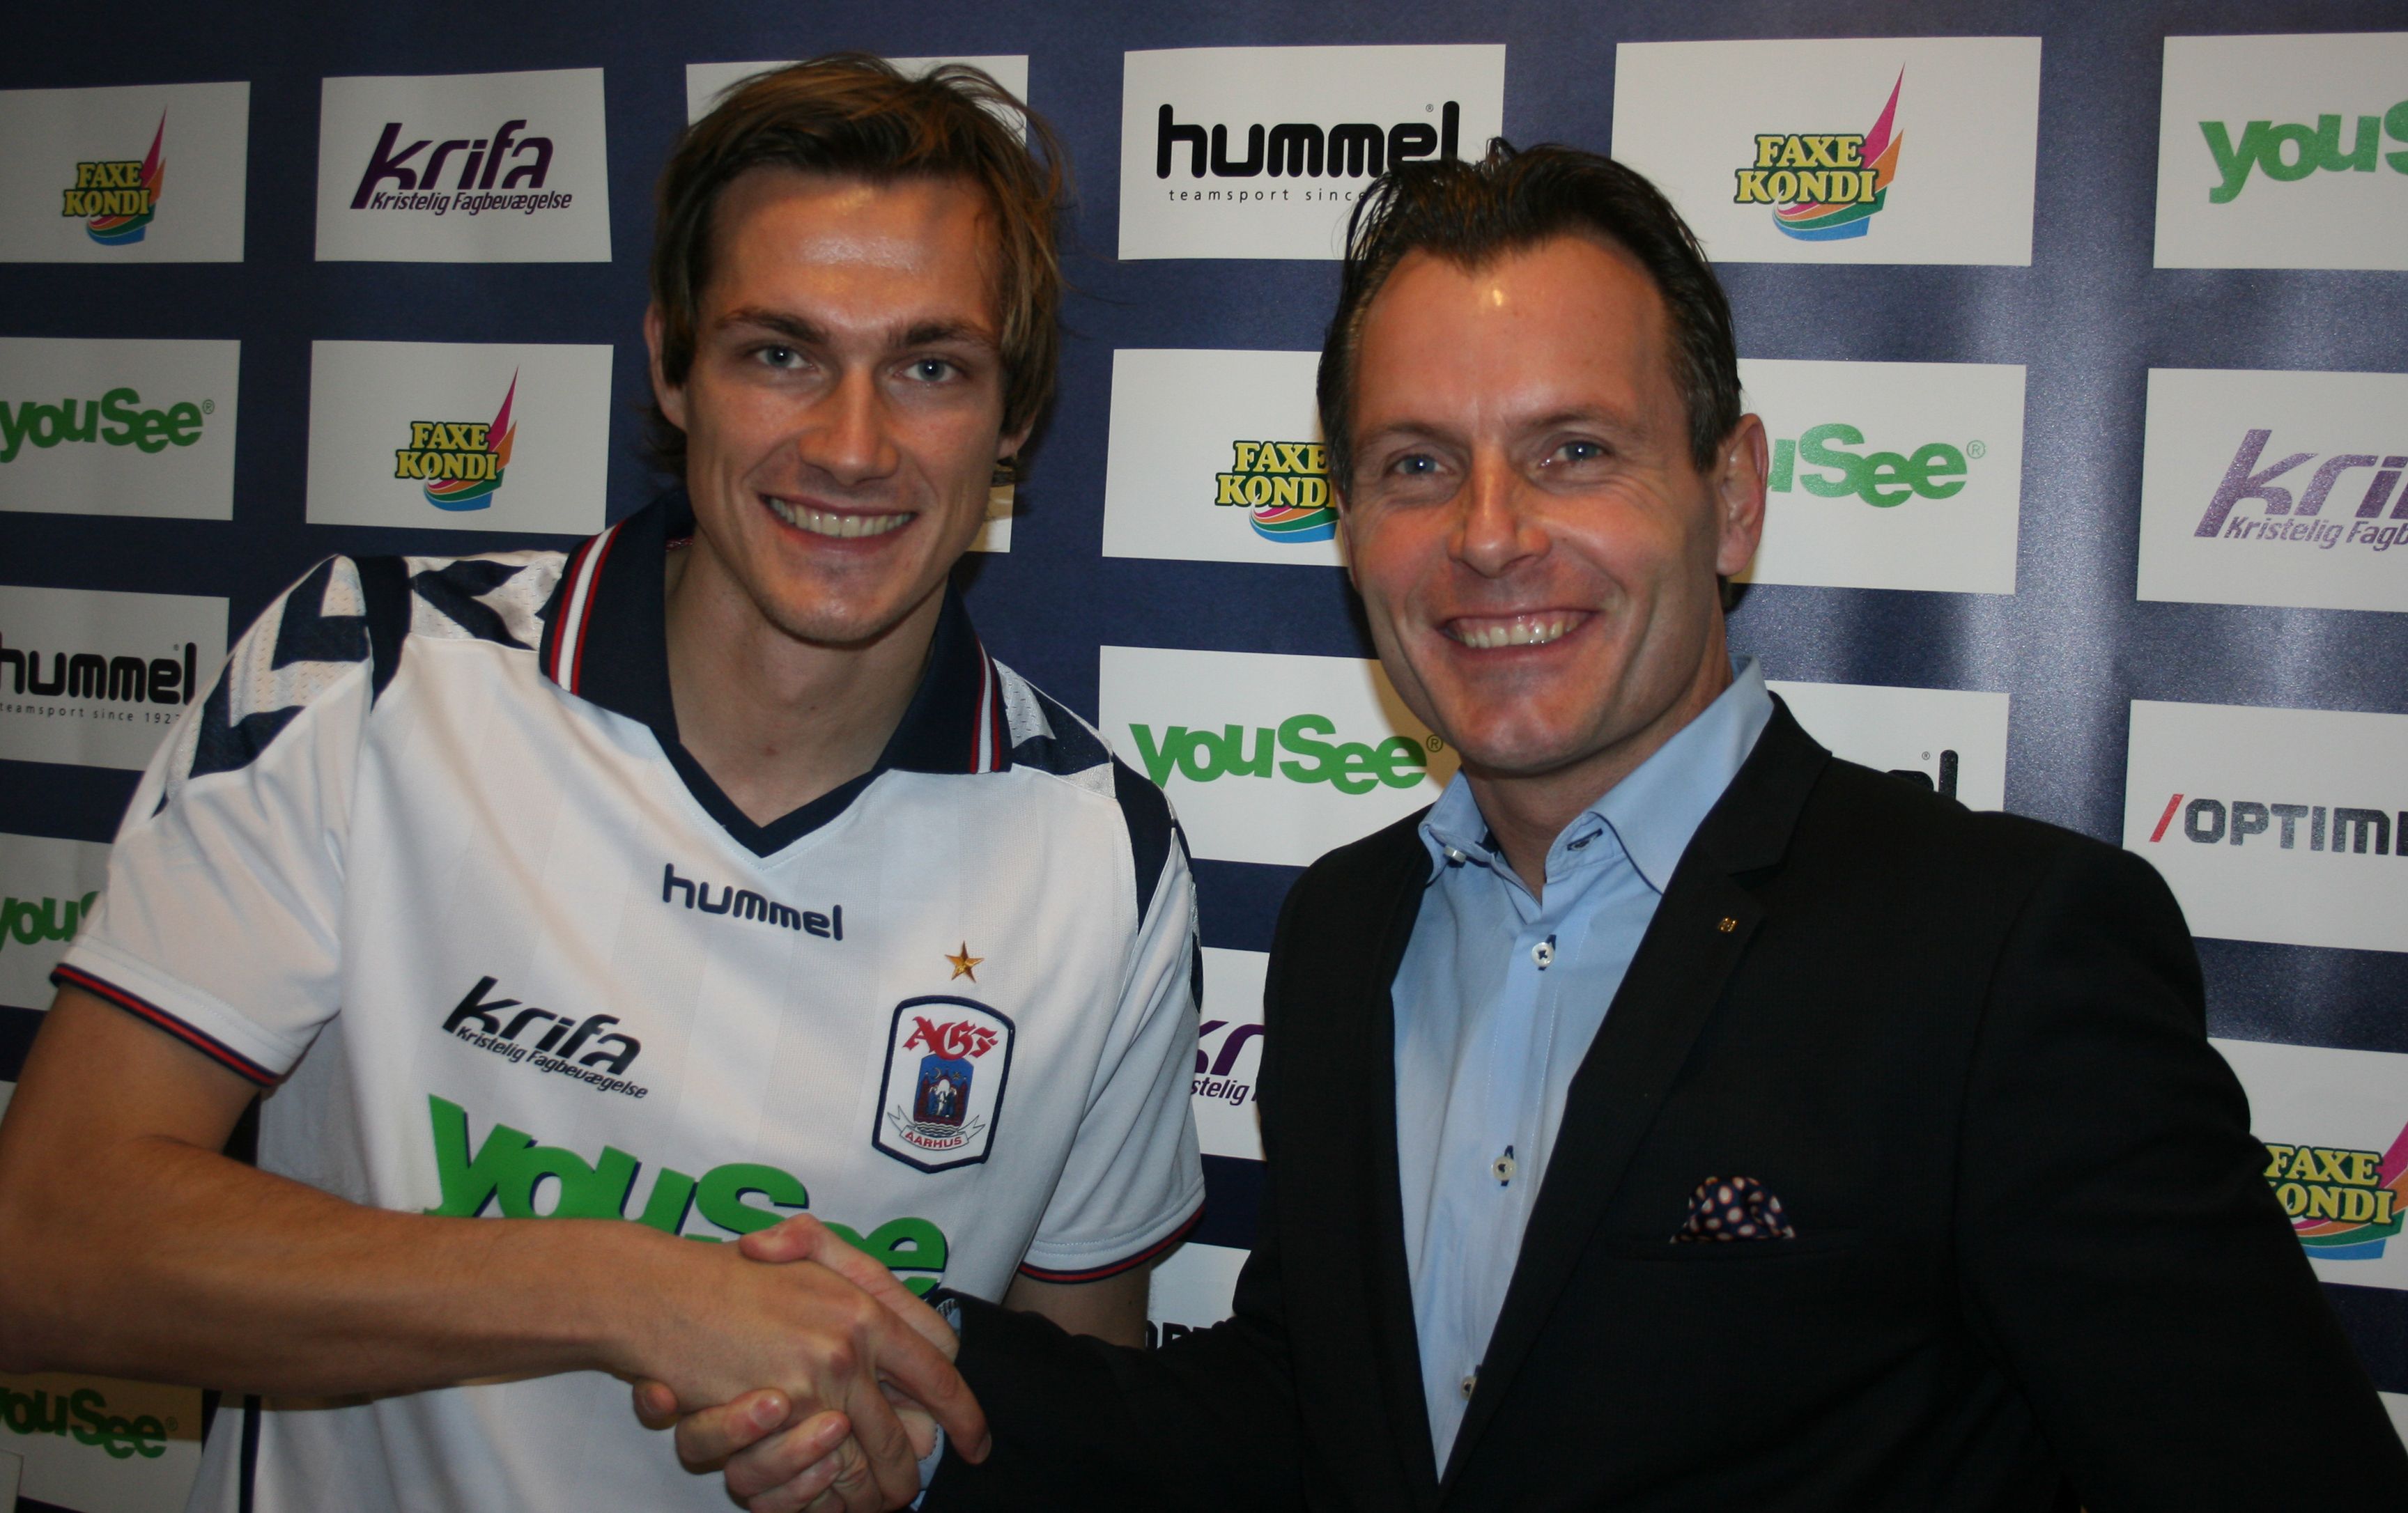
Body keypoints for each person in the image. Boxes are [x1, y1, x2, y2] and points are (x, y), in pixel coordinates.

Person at [667, 142, 2408, 1510]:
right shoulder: (1351, 933)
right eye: (1418, 464)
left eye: (1574, 451)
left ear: (1731, 498)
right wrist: (911, 1373)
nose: (1490, 536)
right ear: (1349, 527)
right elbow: (1303, 1423)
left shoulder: (2001, 951)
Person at [0, 56, 1205, 1513]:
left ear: (1016, 415)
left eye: (931, 367)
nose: (852, 446)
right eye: (781, 354)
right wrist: (625, 1289)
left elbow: (1074, 1414)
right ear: (673, 366)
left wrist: (910, 1456)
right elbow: (44, 1245)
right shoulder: (372, 675)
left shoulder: (1105, 855)